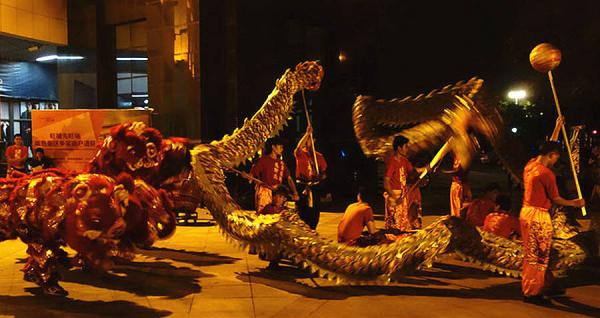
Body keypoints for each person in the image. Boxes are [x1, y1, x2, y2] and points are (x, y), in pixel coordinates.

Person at [519, 138, 585, 304]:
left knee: (531, 254)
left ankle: (538, 286)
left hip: (526, 212)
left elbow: (548, 145)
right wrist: (575, 203)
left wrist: (557, 127)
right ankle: (533, 293)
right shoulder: (546, 173)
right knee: (539, 256)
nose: (556, 161)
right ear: (551, 155)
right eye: (556, 157)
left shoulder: (530, 165)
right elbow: (556, 198)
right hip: (538, 216)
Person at [383, 136, 427, 232]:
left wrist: (426, 169)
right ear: (399, 148)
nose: (407, 149)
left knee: (402, 227)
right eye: (405, 146)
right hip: (394, 196)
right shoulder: (392, 162)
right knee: (395, 229)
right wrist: (394, 198)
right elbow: (386, 182)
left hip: (402, 196)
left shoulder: (404, 161)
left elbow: (413, 172)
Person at [247, 137, 299, 214]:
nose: (282, 148)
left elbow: (289, 178)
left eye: (282, 147)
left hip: (278, 193)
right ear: (273, 147)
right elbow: (253, 173)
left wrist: (295, 192)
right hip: (265, 192)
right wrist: (249, 176)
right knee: (264, 216)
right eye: (280, 146)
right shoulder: (263, 160)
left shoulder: (281, 163)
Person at [294, 125, 327, 229]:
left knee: (314, 212)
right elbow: (298, 148)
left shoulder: (319, 156)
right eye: (307, 140)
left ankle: (312, 230)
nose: (309, 142)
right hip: (302, 186)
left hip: (314, 187)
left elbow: (324, 174)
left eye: (311, 139)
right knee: (302, 211)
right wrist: (307, 134)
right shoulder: (301, 154)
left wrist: (320, 177)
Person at [257, 186, 290, 269]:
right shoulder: (268, 208)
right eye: (275, 196)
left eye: (280, 196)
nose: (276, 198)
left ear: (284, 199)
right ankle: (273, 261)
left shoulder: (286, 211)